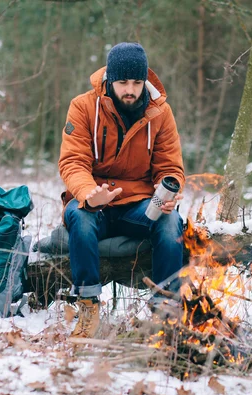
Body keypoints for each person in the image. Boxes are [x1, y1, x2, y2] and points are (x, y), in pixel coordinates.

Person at [58, 42, 185, 338]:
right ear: (109, 80)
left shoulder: (160, 113)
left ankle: (165, 315)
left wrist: (170, 191)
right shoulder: (83, 106)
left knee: (171, 222)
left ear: (145, 81)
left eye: (137, 82)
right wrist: (89, 193)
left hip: (139, 204)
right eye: (123, 82)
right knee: (80, 217)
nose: (130, 90)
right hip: (94, 201)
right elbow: (72, 162)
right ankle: (89, 307)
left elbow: (170, 166)